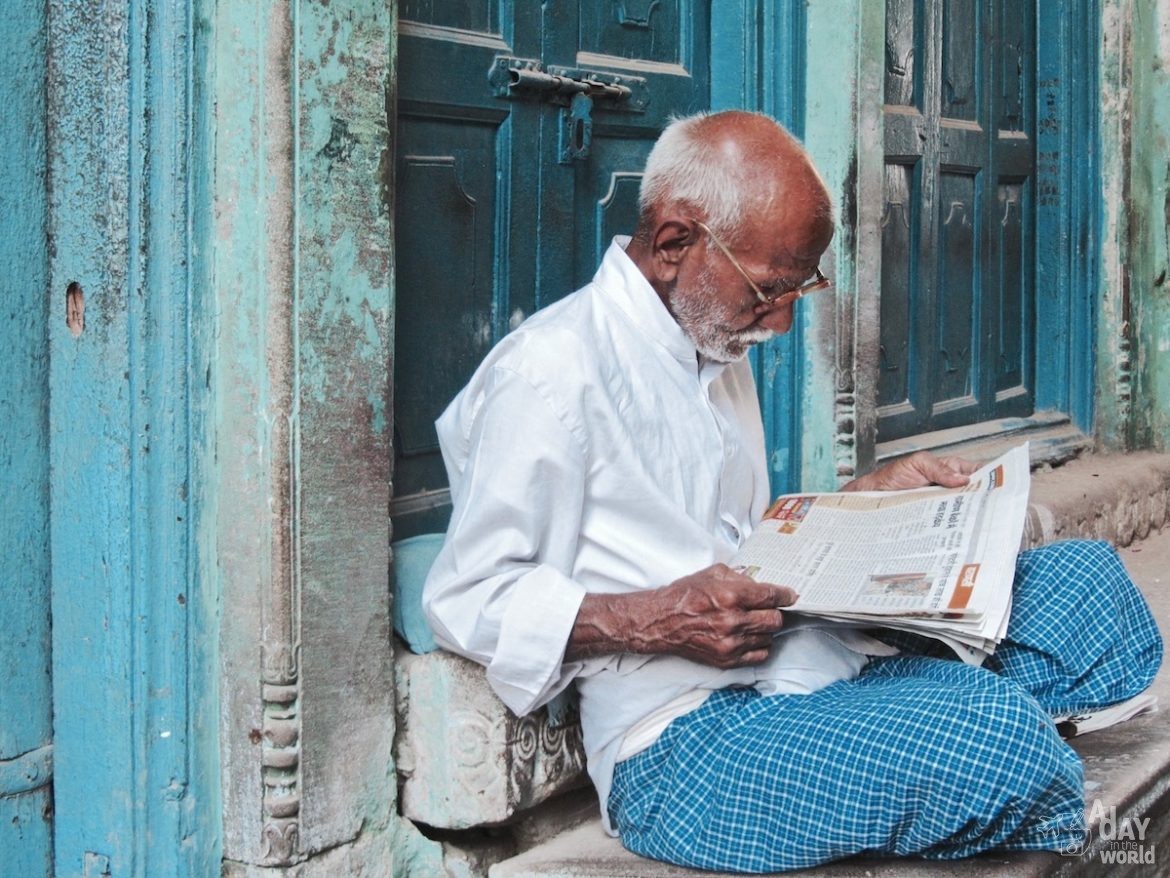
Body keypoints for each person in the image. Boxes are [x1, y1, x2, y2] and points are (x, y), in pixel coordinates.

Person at [422, 110, 1162, 872]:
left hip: (806, 653)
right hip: (688, 739)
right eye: (769, 290)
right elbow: (467, 597)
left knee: (1088, 587)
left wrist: (862, 505)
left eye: (798, 288)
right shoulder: (546, 376)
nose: (779, 319)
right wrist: (647, 620)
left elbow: (741, 541)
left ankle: (911, 724)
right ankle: (953, 725)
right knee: (989, 739)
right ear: (676, 243)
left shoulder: (711, 334)